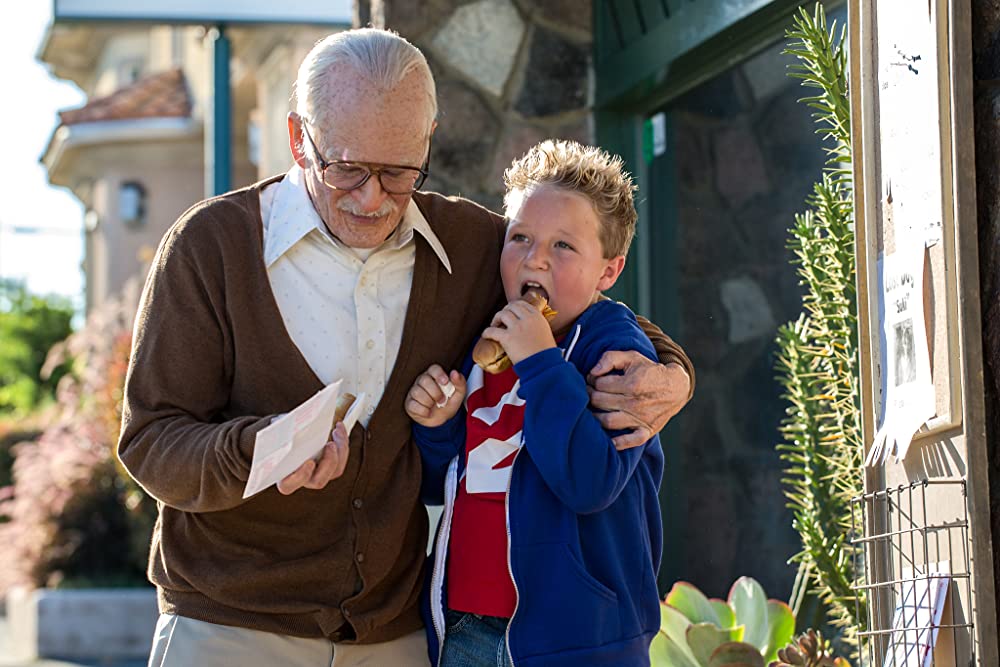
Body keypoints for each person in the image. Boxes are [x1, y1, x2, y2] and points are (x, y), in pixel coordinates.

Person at [117, 28, 693, 667]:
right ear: (296, 139)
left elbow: (581, 299)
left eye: (398, 173)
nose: (371, 199)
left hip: (396, 635)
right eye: (346, 169)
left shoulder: (478, 246)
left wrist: (674, 374)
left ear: (428, 141)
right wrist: (255, 453)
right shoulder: (209, 247)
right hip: (230, 626)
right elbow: (149, 439)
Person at [406, 139, 663, 666]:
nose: (535, 258)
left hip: (574, 641)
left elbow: (590, 483)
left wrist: (543, 366)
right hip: (464, 628)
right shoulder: (485, 343)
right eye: (519, 237)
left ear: (608, 273)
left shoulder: (616, 351)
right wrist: (439, 427)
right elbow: (449, 485)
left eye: (564, 246)